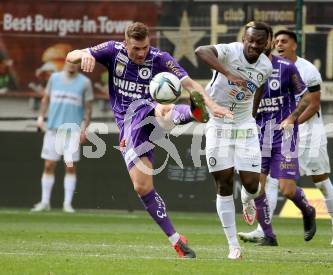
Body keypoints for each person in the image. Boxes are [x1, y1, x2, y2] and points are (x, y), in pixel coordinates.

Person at [66, 22, 231, 258]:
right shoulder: (113, 51)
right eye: (136, 49)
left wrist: (211, 105)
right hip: (129, 127)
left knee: (159, 108)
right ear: (126, 44)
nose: (141, 53)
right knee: (142, 187)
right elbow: (70, 56)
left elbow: (190, 84)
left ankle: (192, 113)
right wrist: (82, 55)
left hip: (149, 111)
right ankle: (177, 241)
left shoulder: (160, 58)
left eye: (145, 47)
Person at [239, 29, 333, 245]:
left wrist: (291, 122)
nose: (279, 44)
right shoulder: (254, 69)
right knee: (265, 183)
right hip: (269, 132)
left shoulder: (305, 70)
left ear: (294, 45)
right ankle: (265, 231)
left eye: (283, 41)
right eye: (276, 41)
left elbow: (313, 103)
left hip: (306, 131)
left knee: (319, 182)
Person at [195, 21, 277, 259]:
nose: (253, 45)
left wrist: (251, 114)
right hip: (218, 123)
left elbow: (259, 88)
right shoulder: (229, 51)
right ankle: (233, 246)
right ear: (243, 39)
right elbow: (201, 51)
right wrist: (228, 72)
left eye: (259, 42)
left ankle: (248, 199)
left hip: (244, 125)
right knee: (224, 184)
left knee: (252, 185)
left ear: (267, 43)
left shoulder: (266, 66)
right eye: (249, 40)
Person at [31, 61, 93, 213]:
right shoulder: (54, 78)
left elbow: (88, 109)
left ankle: (67, 204)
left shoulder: (85, 82)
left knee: (70, 167)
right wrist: (40, 117)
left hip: (72, 131)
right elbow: (45, 99)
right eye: (69, 62)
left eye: (75, 63)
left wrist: (85, 129)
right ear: (64, 63)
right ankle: (45, 202)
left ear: (78, 65)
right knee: (48, 165)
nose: (72, 65)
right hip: (53, 129)